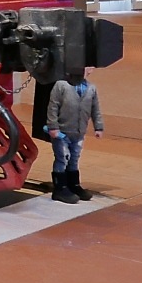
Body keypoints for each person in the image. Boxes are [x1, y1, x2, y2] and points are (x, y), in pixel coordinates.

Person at [47, 67, 104, 204]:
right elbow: (53, 107)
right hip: (62, 132)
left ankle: (74, 185)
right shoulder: (61, 85)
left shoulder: (91, 88)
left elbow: (95, 109)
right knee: (62, 158)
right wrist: (53, 126)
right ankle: (60, 188)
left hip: (79, 132)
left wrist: (99, 127)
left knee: (74, 158)